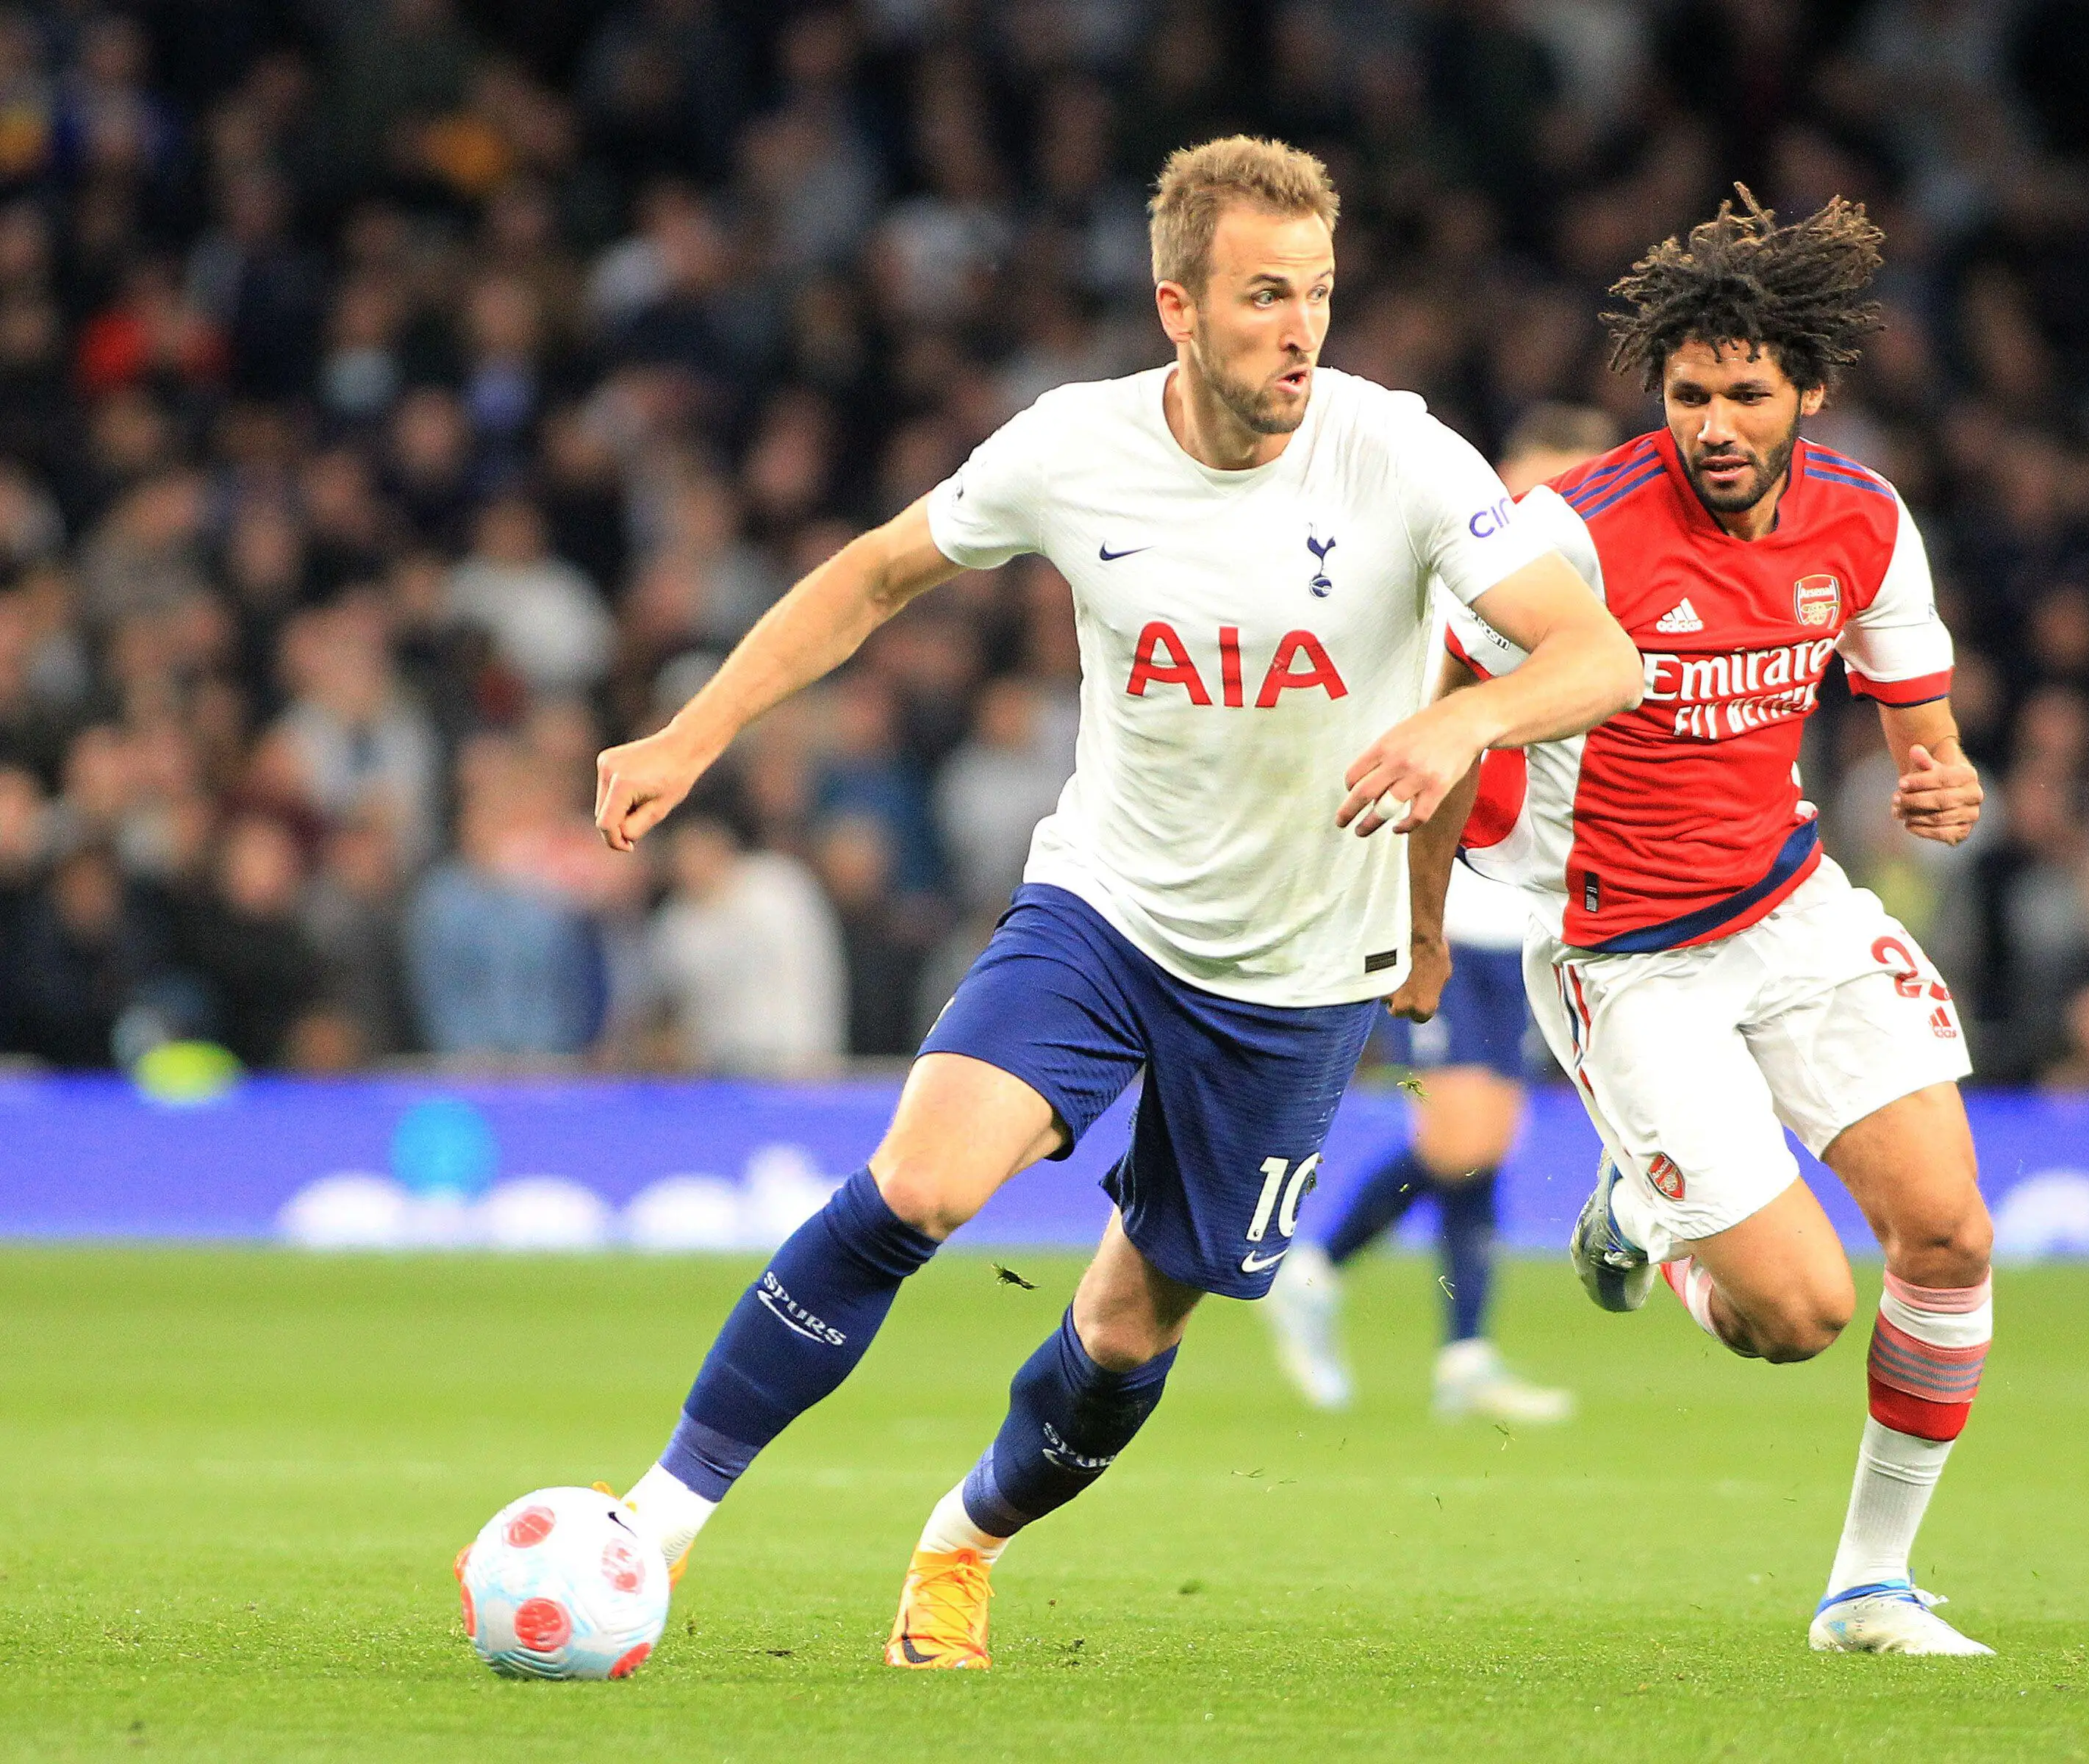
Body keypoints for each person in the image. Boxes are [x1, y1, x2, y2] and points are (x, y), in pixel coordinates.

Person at [575, 138, 1640, 1671]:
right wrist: (693, 734)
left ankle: (962, 1543)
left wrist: (1462, 732)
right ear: (1177, 308)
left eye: (1320, 295)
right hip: (1107, 913)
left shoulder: (1402, 458)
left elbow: (1595, 658)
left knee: (1130, 1328)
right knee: (920, 1190)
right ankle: (651, 1532)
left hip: (1296, 975)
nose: (1301, 329)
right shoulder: (1070, 449)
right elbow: (872, 577)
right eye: (1266, 295)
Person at [1423, 193, 1997, 1654]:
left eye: (1749, 392)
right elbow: (1449, 726)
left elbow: (1915, 715)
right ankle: (1654, 1218)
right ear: (1659, 396)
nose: (1719, 422)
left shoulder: (1864, 521)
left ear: (1806, 390)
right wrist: (1420, 935)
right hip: (1623, 956)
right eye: (1691, 394)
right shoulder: (1576, 537)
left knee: (1946, 1236)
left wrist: (1937, 772)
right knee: (1792, 1317)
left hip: (1791, 903)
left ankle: (1868, 1585)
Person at [1264, 404, 1619, 1424]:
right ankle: (1316, 1269)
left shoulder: (1585, 614)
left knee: (1483, 1146)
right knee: (1469, 1136)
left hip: (1532, 913)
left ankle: (1465, 1356)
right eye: (1556, 480)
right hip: (1454, 899)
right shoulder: (1450, 586)